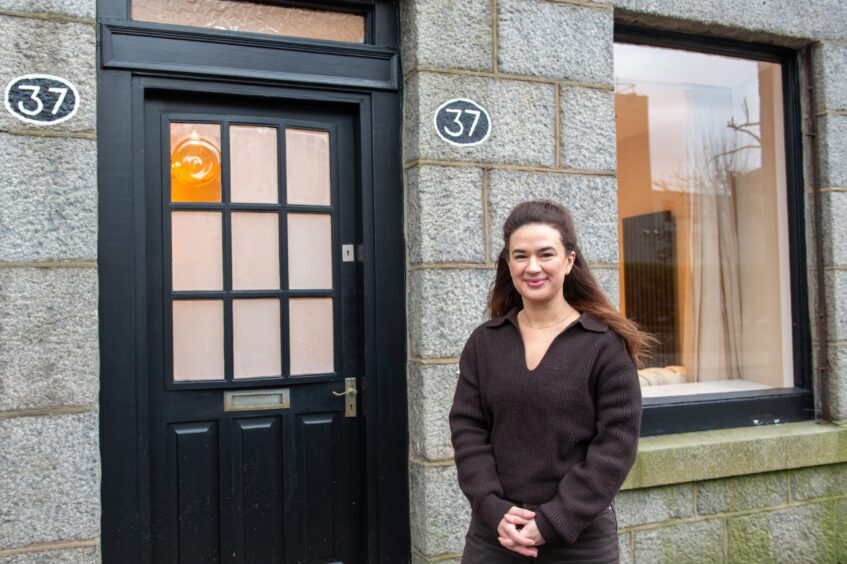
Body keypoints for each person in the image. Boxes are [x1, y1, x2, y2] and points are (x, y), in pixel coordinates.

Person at [449, 200, 648, 563]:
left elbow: (616, 445)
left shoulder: (604, 346)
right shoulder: (485, 342)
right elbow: (468, 430)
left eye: (546, 254)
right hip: (497, 536)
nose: (533, 267)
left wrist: (555, 520)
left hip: (579, 539)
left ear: (569, 261)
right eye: (520, 256)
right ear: (508, 264)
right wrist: (493, 509)